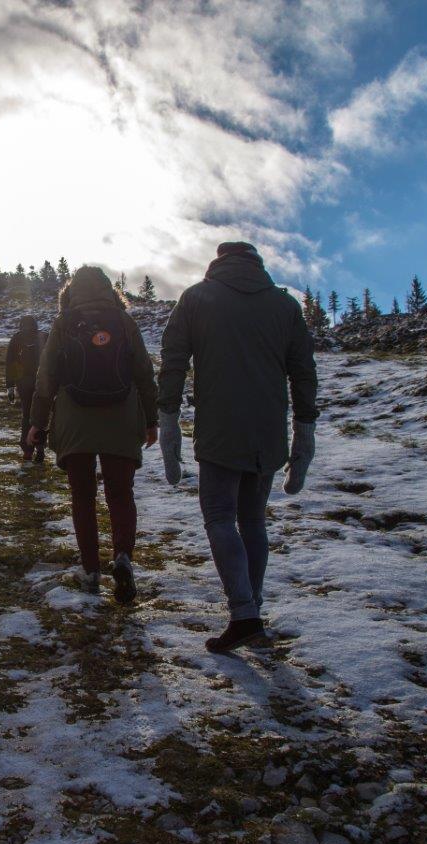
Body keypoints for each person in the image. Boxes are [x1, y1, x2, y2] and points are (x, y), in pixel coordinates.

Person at [158, 241, 318, 653]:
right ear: (256, 265)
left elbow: (173, 360)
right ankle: (252, 610)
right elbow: (303, 372)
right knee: (253, 521)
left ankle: (245, 615)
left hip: (219, 430)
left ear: (219, 262)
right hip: (268, 432)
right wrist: (304, 430)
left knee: (219, 518)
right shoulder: (284, 306)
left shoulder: (196, 297)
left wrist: (168, 420)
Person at [27, 266, 158, 603]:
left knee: (82, 497)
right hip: (121, 418)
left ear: (71, 293)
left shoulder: (64, 322)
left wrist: (37, 422)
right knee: (120, 493)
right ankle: (123, 558)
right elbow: (144, 372)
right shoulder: (124, 322)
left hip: (75, 419)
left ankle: (90, 571)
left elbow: (46, 376)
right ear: (108, 291)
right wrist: (151, 418)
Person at [5, 315, 47, 463]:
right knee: (41, 416)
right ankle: (40, 448)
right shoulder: (44, 336)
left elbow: (11, 361)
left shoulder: (17, 338)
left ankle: (27, 450)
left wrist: (10, 386)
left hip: (23, 384)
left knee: (27, 416)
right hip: (42, 383)